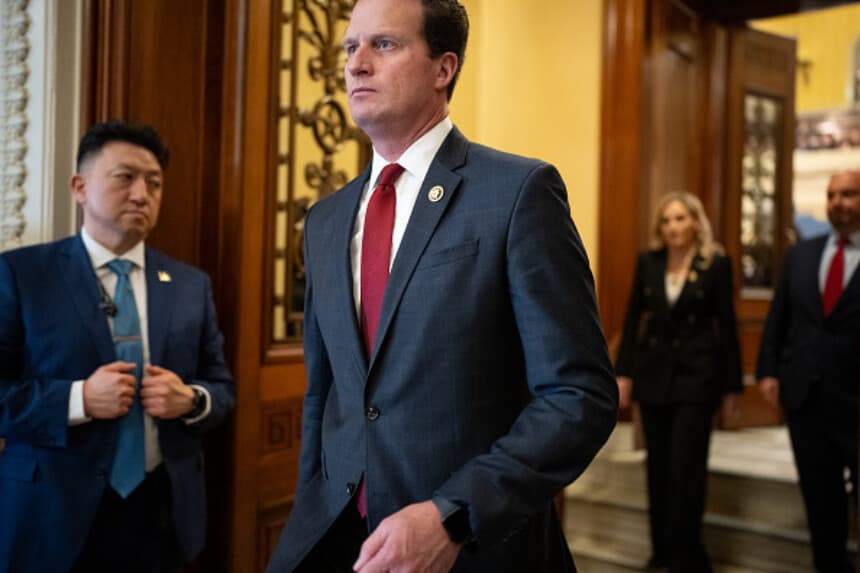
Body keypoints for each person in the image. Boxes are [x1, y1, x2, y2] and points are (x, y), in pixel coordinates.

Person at [265, 0, 618, 571]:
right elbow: (324, 394)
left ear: (443, 68)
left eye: (383, 45)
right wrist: (311, 504)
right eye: (350, 47)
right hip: (339, 539)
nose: (356, 64)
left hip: (476, 547)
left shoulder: (517, 192)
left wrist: (454, 514)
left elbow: (579, 397)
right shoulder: (325, 220)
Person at [0, 121, 236, 572]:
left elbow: (222, 388)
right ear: (80, 187)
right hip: (52, 515)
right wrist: (78, 399)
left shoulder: (189, 284)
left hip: (161, 511)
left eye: (154, 182)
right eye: (124, 177)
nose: (141, 194)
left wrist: (191, 400)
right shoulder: (22, 276)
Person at [614, 192, 742, 573]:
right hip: (654, 378)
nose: (673, 227)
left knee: (686, 469)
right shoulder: (648, 262)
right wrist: (624, 374)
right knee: (658, 469)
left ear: (695, 223)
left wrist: (732, 387)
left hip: (697, 377)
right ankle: (661, 553)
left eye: (681, 218)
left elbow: (728, 327)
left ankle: (688, 554)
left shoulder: (715, 264)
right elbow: (633, 318)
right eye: (667, 220)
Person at [757, 169, 860, 573]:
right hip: (807, 398)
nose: (839, 202)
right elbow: (778, 316)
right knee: (821, 500)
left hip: (856, 400)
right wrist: (768, 369)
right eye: (833, 195)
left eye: (849, 194)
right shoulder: (800, 255)